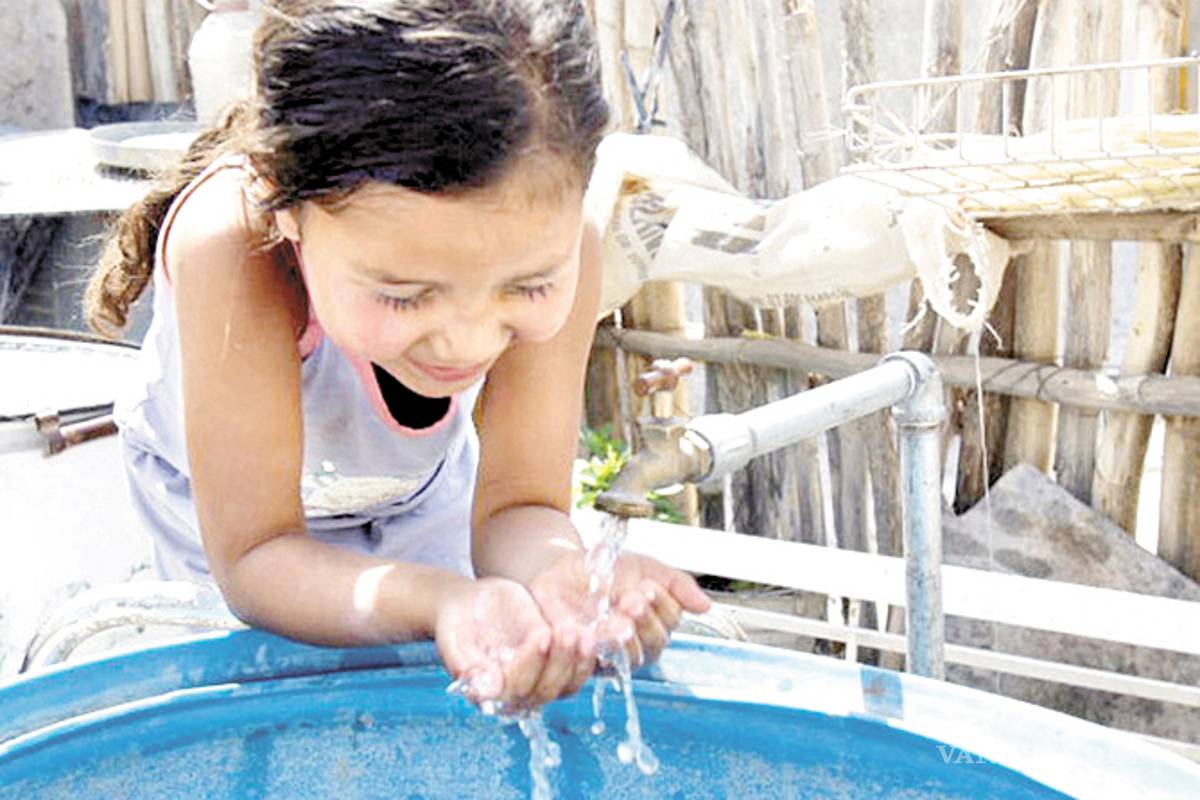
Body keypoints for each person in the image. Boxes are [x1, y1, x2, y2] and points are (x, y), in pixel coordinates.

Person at [85, 0, 709, 710]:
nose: (468, 342)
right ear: (286, 204)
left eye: (528, 287)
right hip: (225, 520)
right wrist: (438, 598)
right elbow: (257, 559)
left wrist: (561, 574)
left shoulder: (564, 244)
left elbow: (519, 507)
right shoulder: (233, 250)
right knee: (277, 704)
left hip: (413, 490)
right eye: (407, 296)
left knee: (466, 661)